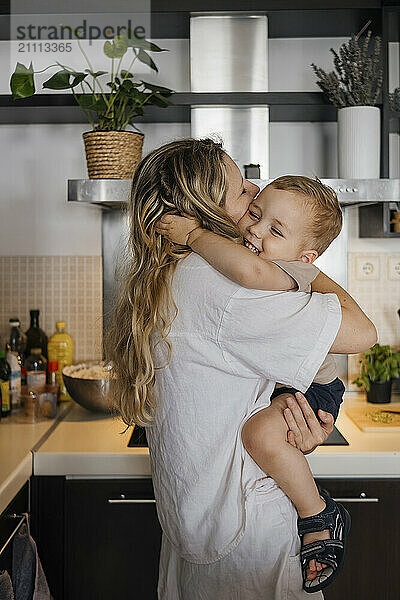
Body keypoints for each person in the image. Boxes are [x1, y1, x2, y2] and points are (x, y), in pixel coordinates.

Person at [106, 138, 377, 600]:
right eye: (240, 194)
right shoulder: (223, 287)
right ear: (209, 210)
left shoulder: (171, 274)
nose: (254, 190)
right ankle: (322, 516)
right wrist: (305, 269)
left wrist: (286, 421)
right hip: (245, 534)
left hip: (195, 527)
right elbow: (361, 332)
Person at [155, 174, 355, 592]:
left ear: (306, 255)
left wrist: (194, 233)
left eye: (274, 229)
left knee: (262, 434)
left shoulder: (277, 272)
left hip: (313, 388)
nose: (255, 231)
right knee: (264, 433)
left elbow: (362, 334)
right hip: (287, 385)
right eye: (256, 213)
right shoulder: (245, 270)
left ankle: (318, 513)